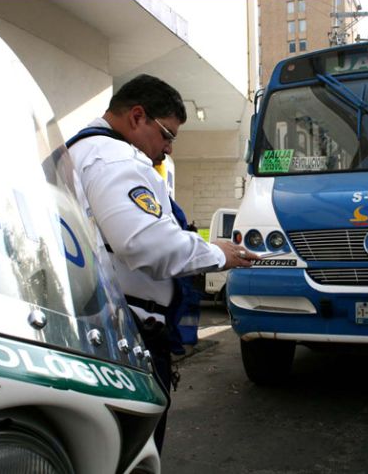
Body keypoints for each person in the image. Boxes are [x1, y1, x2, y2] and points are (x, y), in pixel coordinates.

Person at [65, 74, 257, 453]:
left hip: (93, 324)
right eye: (167, 134)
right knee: (134, 453)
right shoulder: (116, 157)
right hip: (126, 334)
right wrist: (219, 254)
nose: (168, 149)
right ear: (138, 117)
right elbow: (145, 243)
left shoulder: (78, 152)